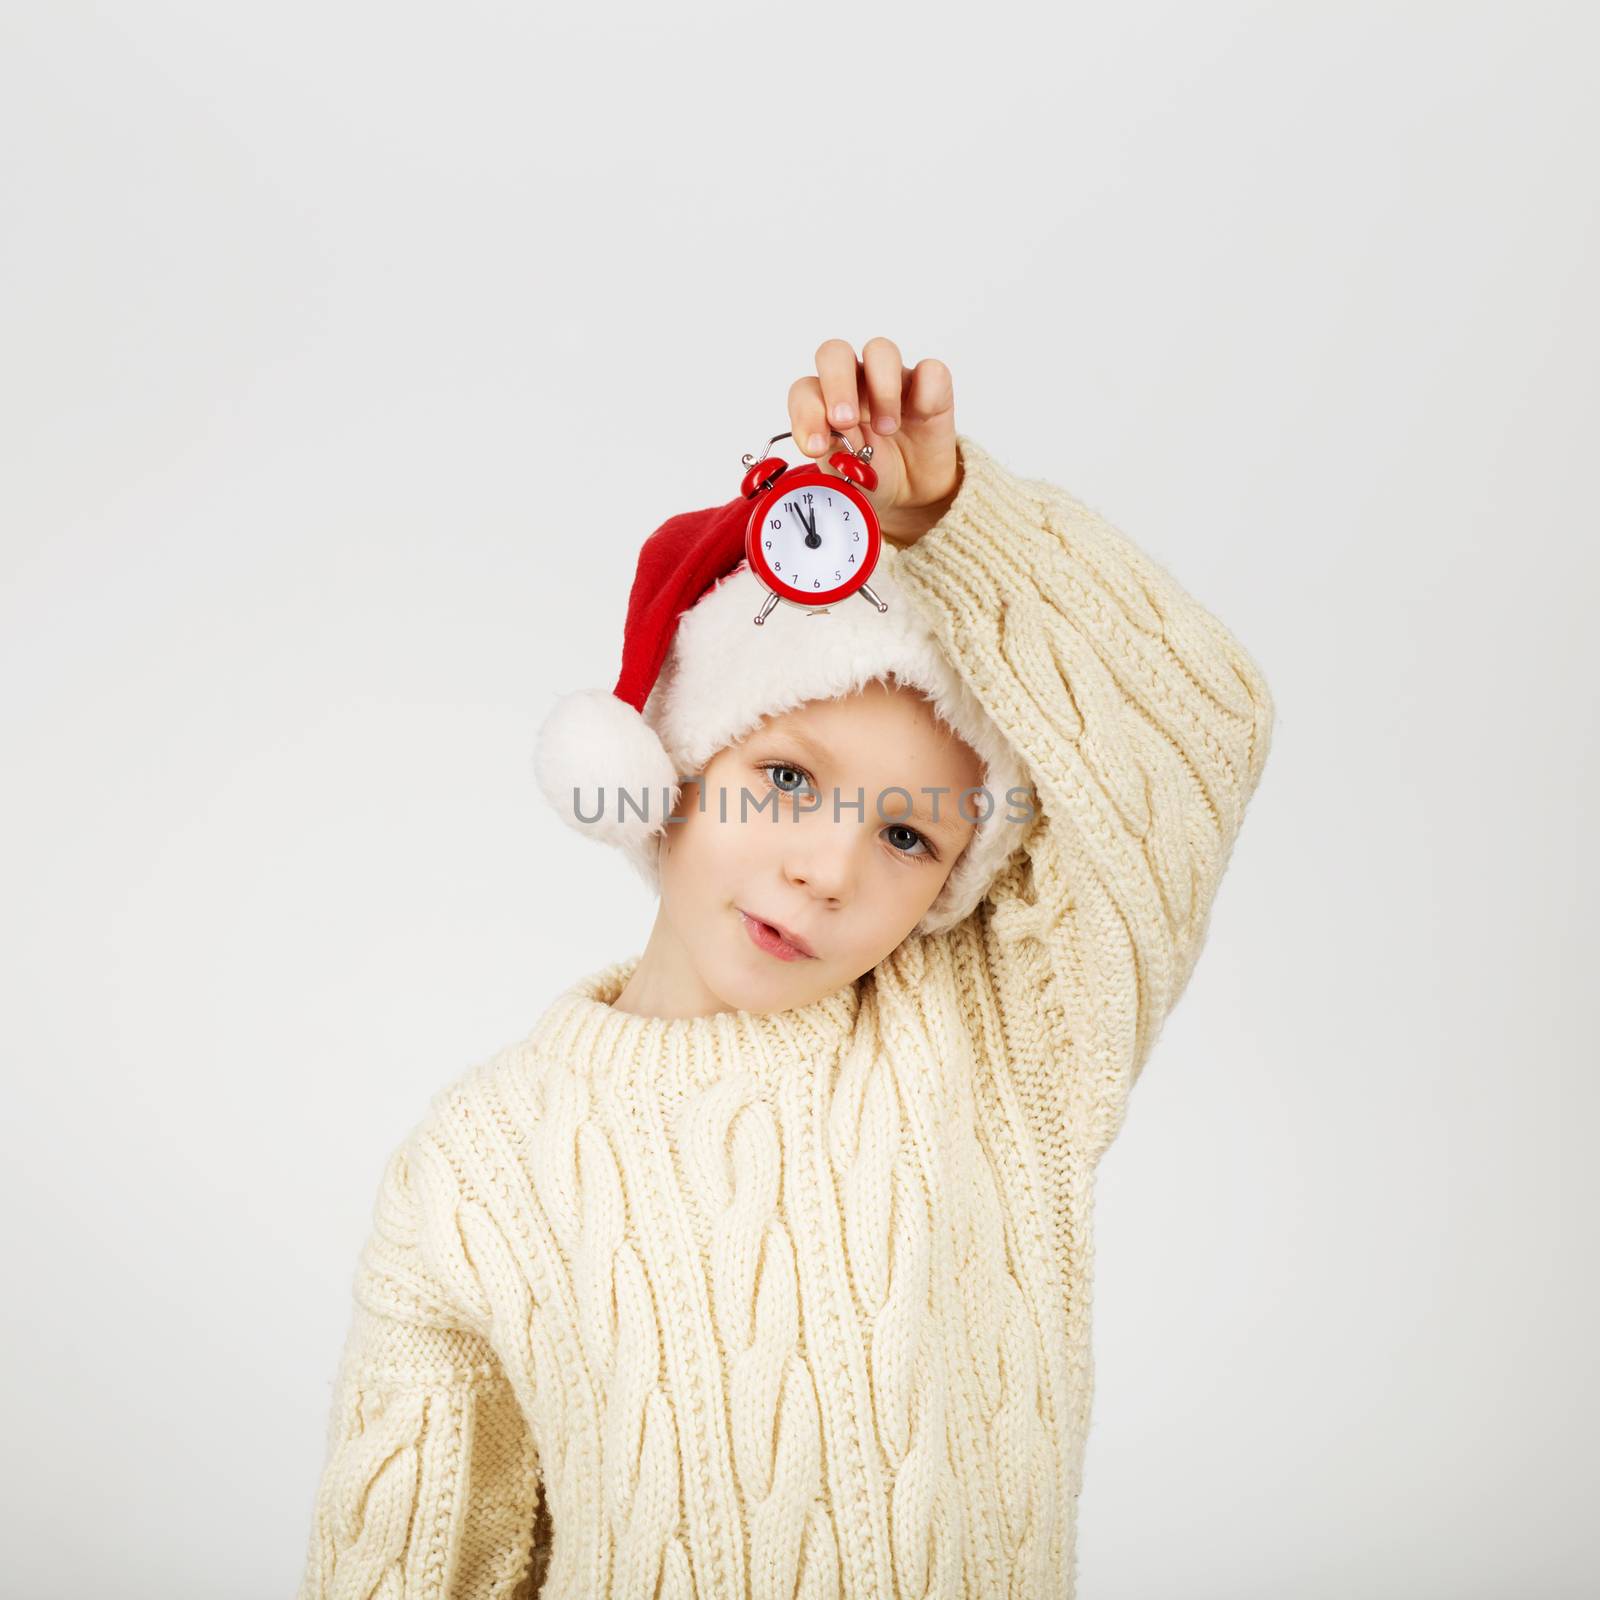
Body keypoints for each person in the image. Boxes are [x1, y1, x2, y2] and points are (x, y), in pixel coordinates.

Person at [295, 337, 1275, 1598]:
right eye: (789, 777)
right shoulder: (481, 1166)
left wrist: (953, 524)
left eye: (907, 832)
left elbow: (1206, 727)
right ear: (678, 767)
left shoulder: (1002, 1044)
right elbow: (408, 1565)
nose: (826, 866)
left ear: (950, 885)